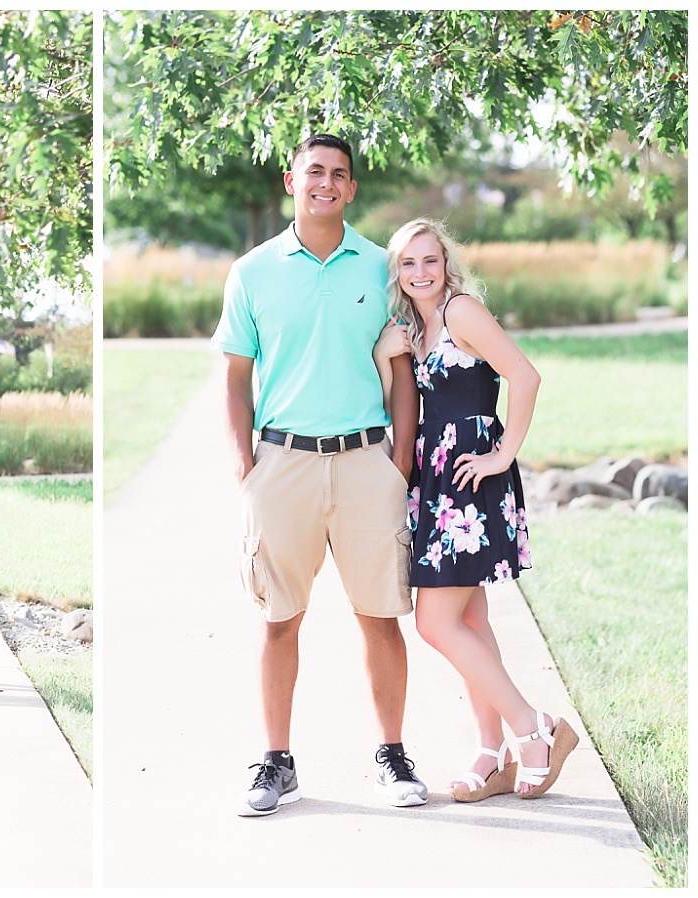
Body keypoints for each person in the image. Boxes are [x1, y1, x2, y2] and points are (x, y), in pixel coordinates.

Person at [213, 134, 428, 817]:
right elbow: (235, 374)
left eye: (339, 174)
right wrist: (245, 463)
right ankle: (277, 763)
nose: (326, 183)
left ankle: (392, 756)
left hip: (368, 464)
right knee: (279, 621)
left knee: (381, 618)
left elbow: (401, 371)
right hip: (282, 465)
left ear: (352, 188)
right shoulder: (251, 271)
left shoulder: (380, 267)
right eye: (315, 172)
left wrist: (399, 462)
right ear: (291, 180)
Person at [373, 218, 578, 800]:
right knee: (469, 620)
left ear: (446, 262)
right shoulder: (415, 325)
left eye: (429, 261)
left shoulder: (461, 311)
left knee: (434, 622)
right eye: (407, 264)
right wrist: (391, 353)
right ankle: (490, 756)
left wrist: (501, 455)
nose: (419, 273)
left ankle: (533, 728)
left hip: (469, 481)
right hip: (436, 484)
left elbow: (524, 375)